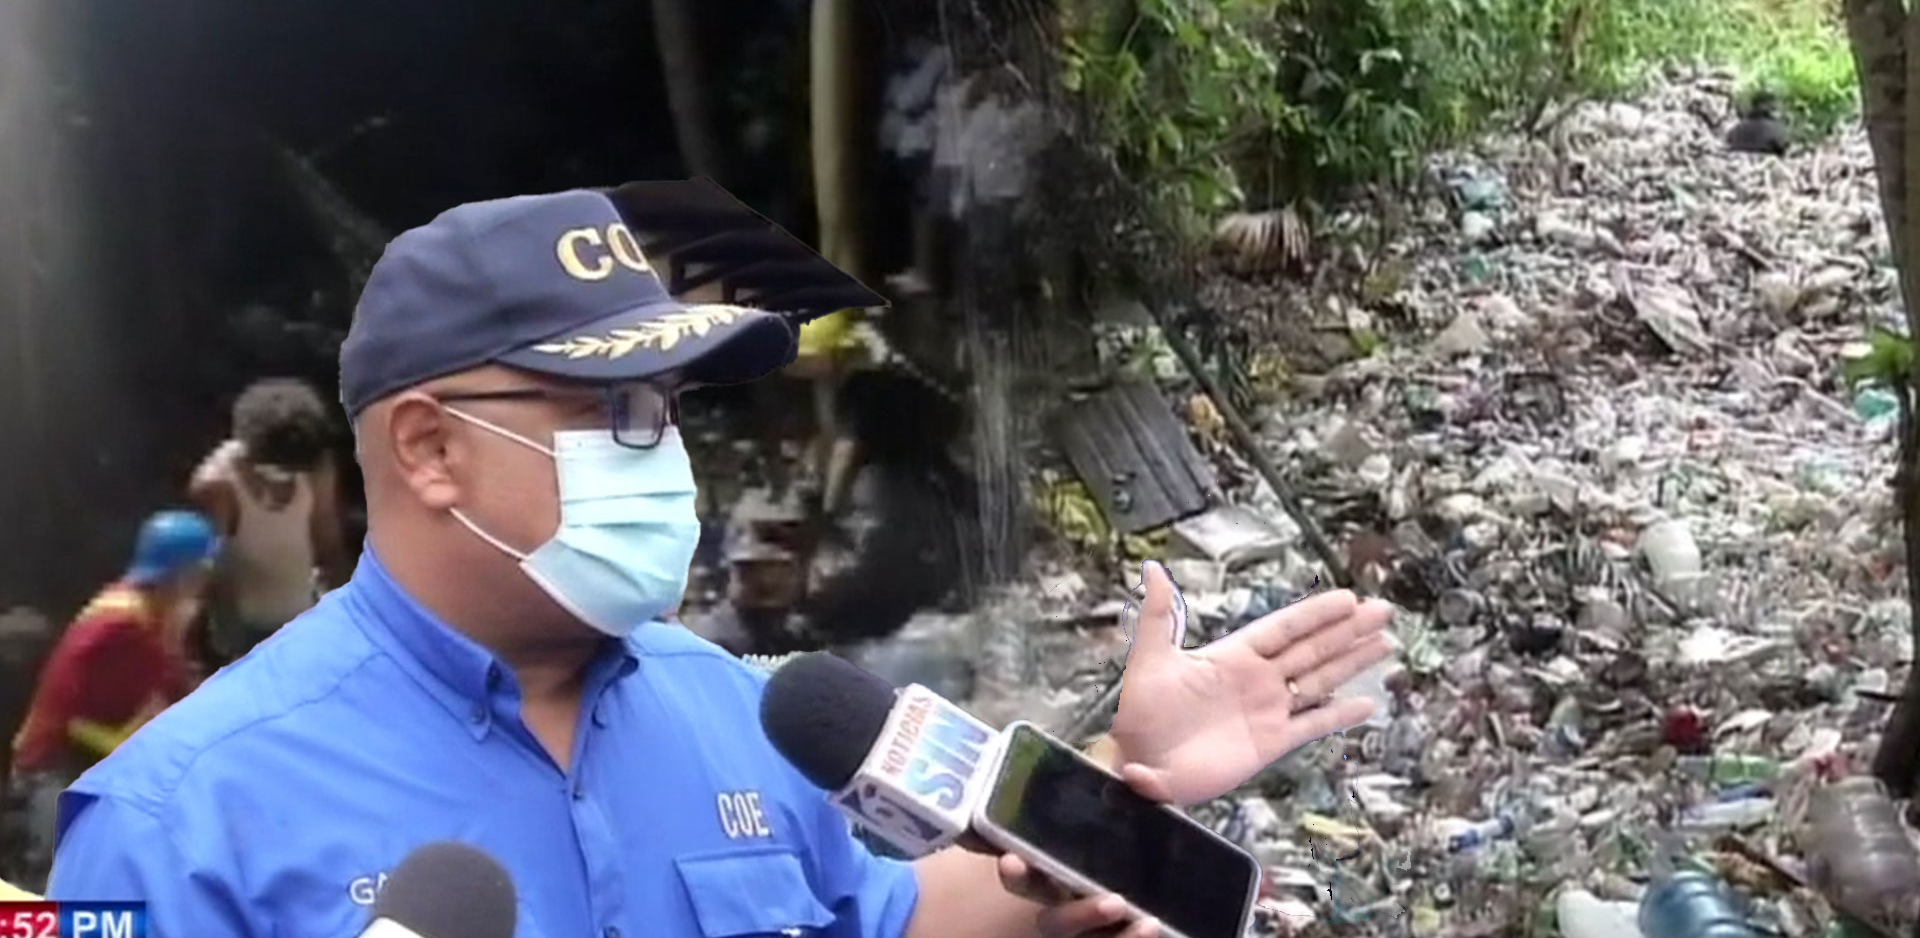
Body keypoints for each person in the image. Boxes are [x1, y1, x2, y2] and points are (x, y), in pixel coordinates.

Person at [48, 181, 1396, 938]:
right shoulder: (178, 824)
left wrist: (1105, 803)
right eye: (614, 412)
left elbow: (894, 919)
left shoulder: (753, 715)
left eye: (674, 412)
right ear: (429, 449)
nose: (666, 455)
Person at [7, 510, 215, 892]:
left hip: (87, 768)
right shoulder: (125, 629)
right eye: (201, 573)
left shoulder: (142, 611)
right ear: (185, 575)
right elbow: (84, 729)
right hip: (57, 775)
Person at [186, 377, 350, 667]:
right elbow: (212, 573)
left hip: (306, 618)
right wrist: (230, 651)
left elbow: (328, 543)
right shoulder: (217, 486)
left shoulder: (315, 465)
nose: (285, 476)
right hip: (247, 634)